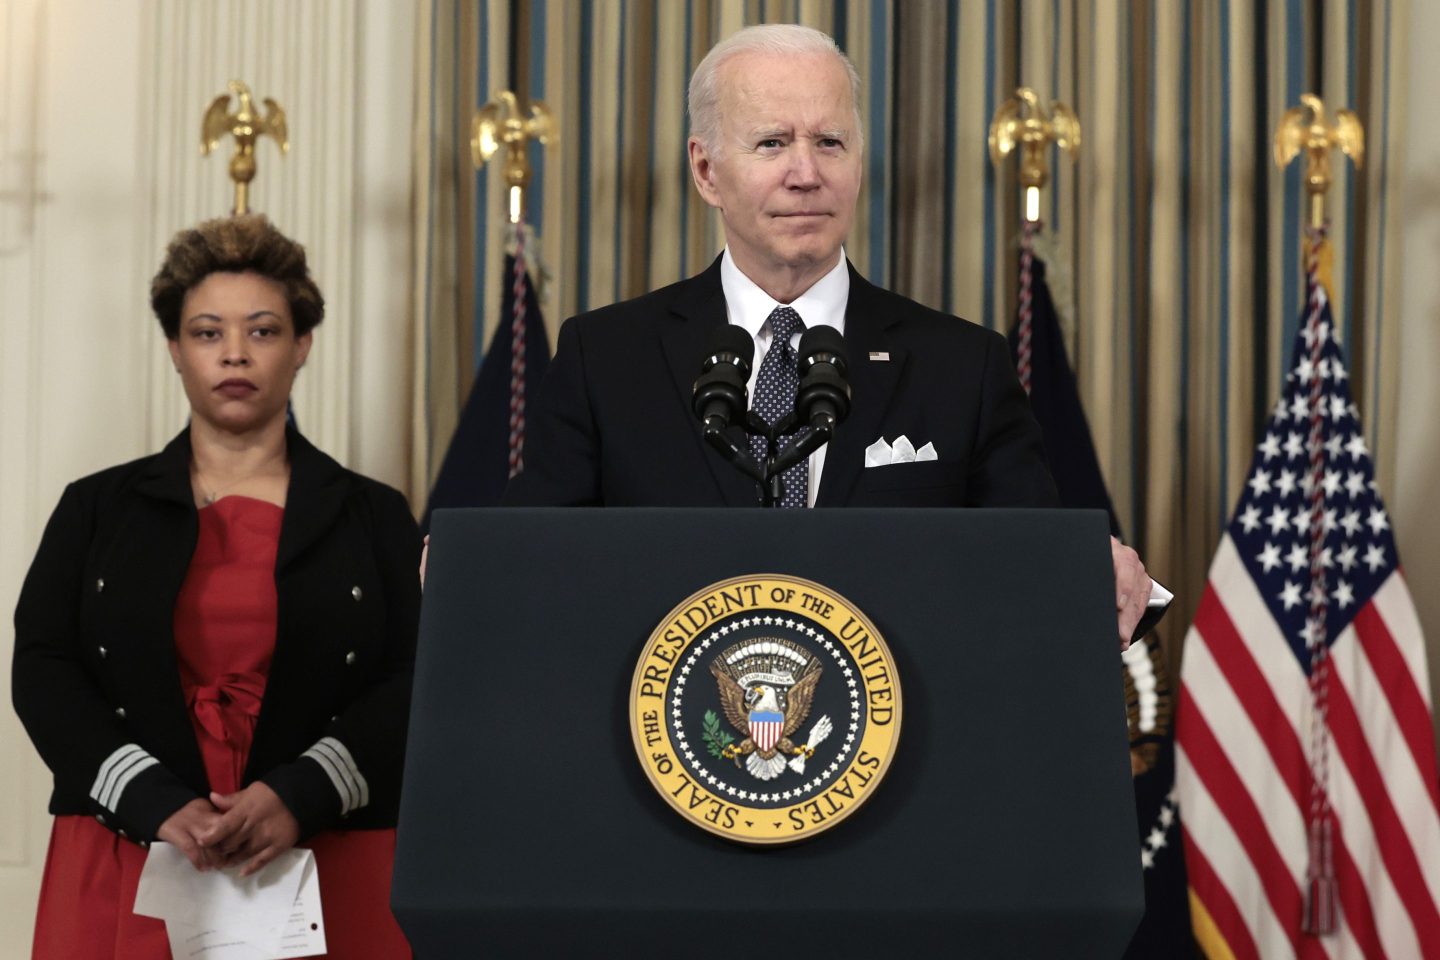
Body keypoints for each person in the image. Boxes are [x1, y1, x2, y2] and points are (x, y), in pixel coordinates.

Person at [504, 23, 1158, 644]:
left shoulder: (963, 366)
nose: (806, 173)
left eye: (830, 142)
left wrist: (1094, 568)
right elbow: (530, 565)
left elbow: (1035, 562)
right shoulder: (608, 359)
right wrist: (470, 565)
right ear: (707, 171)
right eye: (771, 143)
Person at [13, 214, 418, 957]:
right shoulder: (95, 508)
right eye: (206, 332)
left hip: (328, 851)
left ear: (302, 345)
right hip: (131, 842)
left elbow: (416, 676)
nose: (234, 352)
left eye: (262, 331)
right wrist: (150, 801)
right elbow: (43, 670)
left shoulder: (374, 514)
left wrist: (302, 793)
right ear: (174, 347)